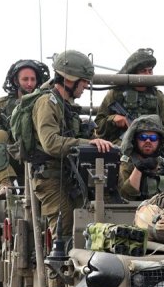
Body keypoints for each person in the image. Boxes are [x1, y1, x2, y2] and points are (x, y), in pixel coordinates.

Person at [30, 50, 113, 240]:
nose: (85, 86)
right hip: (50, 176)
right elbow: (50, 143)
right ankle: (56, 268)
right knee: (64, 227)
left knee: (86, 222)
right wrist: (88, 143)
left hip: (69, 173)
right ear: (69, 80)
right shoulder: (47, 103)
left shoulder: (65, 105)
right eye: (83, 81)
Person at [0, 59, 50, 197]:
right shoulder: (3, 104)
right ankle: (5, 182)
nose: (30, 83)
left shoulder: (46, 103)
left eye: (33, 79)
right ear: (16, 81)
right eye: (25, 79)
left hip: (39, 156)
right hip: (11, 157)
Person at [94, 48, 164, 150]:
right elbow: (97, 125)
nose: (148, 75)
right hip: (123, 142)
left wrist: (159, 138)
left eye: (150, 71)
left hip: (153, 142)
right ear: (133, 72)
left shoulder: (158, 96)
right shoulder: (115, 94)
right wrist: (113, 119)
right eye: (143, 71)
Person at [118, 115, 164, 201]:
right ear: (135, 140)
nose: (148, 141)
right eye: (143, 137)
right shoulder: (126, 165)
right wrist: (139, 168)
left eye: (153, 138)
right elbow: (125, 197)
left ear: (159, 142)